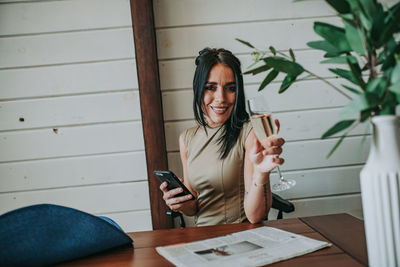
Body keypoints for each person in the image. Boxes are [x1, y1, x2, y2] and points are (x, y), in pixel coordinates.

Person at [160, 48, 285, 225]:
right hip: (202, 240)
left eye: (230, 88)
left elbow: (255, 216)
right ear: (198, 90)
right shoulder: (187, 138)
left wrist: (261, 173)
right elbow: (194, 207)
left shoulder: (249, 132)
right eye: (211, 88)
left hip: (239, 239)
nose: (221, 98)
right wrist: (179, 202)